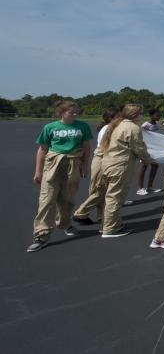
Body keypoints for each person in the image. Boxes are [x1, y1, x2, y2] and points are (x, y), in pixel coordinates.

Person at [27, 101, 92, 252]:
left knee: (67, 199)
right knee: (47, 200)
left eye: (77, 112)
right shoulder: (50, 127)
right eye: (72, 112)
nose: (75, 114)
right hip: (53, 165)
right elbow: (42, 149)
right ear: (61, 112)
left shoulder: (82, 126)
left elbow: (87, 147)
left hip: (73, 164)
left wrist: (85, 166)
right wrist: (38, 171)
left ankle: (65, 223)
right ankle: (41, 235)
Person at [96, 104, 154, 238]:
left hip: (108, 162)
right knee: (116, 197)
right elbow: (139, 147)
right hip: (120, 165)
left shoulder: (117, 124)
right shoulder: (132, 127)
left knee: (110, 196)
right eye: (141, 113)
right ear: (135, 115)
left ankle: (108, 224)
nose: (142, 116)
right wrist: (148, 160)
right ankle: (110, 229)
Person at [73, 108, 119, 225]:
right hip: (102, 158)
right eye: (118, 116)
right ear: (110, 118)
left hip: (104, 158)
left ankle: (101, 216)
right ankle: (81, 213)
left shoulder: (112, 128)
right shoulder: (108, 129)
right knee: (98, 190)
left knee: (101, 190)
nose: (120, 118)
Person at [137, 108, 162, 196]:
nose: (159, 117)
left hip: (154, 149)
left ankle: (150, 187)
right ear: (151, 116)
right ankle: (140, 188)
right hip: (146, 148)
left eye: (159, 115)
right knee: (144, 166)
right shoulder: (145, 125)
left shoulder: (157, 124)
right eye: (157, 115)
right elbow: (140, 134)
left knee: (155, 166)